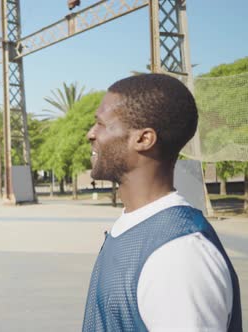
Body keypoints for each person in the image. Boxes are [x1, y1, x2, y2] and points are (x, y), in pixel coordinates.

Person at [82, 73, 241, 331]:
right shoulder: (136, 226)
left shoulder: (179, 255)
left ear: (144, 139)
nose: (91, 134)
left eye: (101, 124)